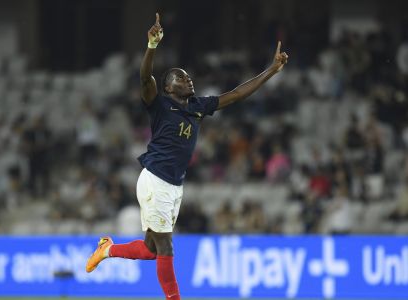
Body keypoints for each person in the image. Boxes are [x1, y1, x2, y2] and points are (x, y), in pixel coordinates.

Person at [85, 13, 288, 299]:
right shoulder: (158, 103)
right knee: (167, 247)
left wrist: (270, 71)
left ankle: (107, 249)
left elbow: (237, 94)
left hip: (174, 185)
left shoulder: (197, 106)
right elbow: (145, 78)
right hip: (155, 179)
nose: (188, 79)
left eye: (188, 76)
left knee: (151, 249)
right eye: (181, 77)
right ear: (168, 87)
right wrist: (152, 46)